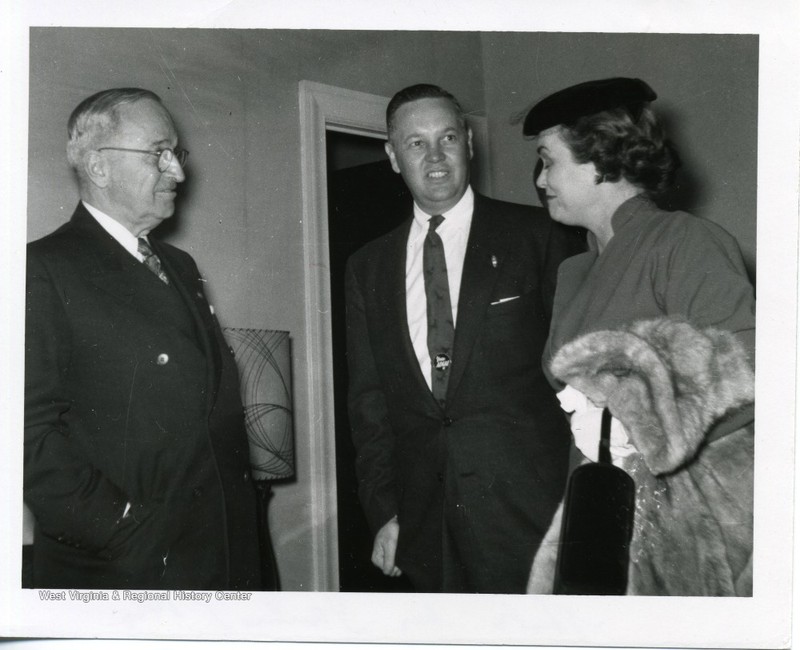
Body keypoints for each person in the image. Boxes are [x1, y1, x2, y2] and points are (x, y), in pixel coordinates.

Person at [344, 83, 583, 593]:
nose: (435, 156)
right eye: (415, 143)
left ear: (469, 143)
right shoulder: (367, 268)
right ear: (391, 156)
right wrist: (385, 511)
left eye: (447, 137)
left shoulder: (540, 237)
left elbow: (580, 383)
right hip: (425, 526)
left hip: (533, 518)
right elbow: (370, 405)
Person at [521, 77, 755, 595]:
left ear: (602, 159)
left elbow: (752, 369)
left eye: (549, 160)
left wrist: (643, 421)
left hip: (677, 530)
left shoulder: (683, 241)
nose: (540, 180)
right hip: (592, 514)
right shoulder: (574, 272)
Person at [24, 88, 262, 590]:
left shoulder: (180, 266)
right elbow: (25, 434)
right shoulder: (41, 269)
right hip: (131, 566)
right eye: (158, 153)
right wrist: (120, 528)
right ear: (99, 166)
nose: (176, 170)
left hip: (222, 550)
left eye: (176, 153)